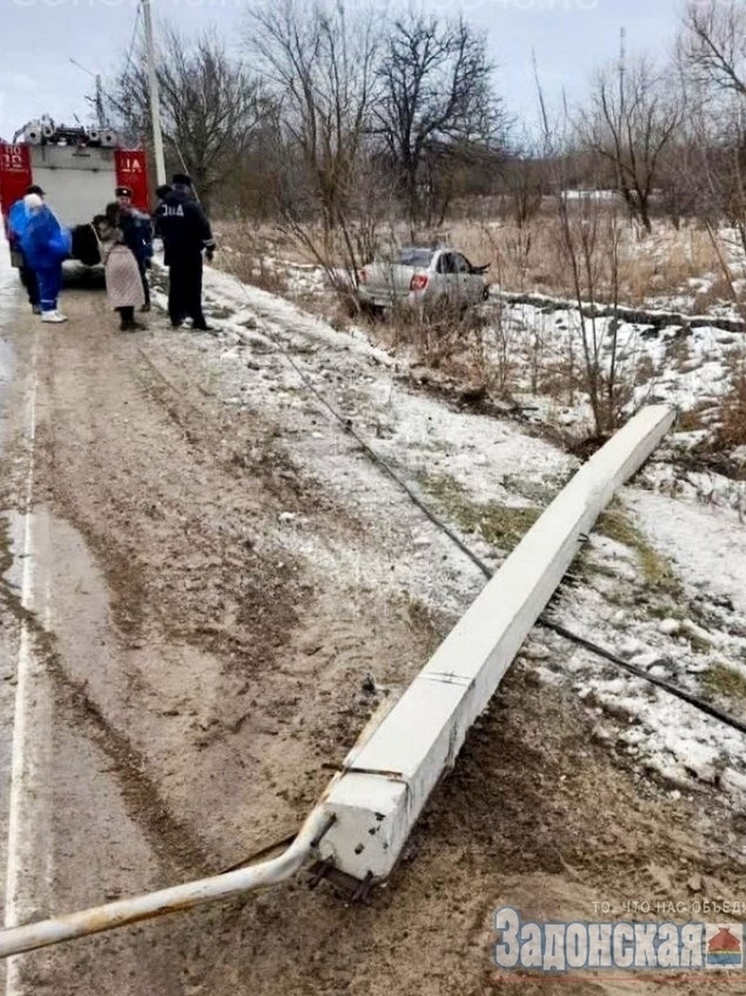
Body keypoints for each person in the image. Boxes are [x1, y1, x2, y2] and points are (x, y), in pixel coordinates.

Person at [154, 173, 215, 331]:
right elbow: (204, 228)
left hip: (173, 253)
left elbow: (156, 227)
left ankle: (175, 317)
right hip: (191, 253)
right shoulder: (191, 205)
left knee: (176, 284)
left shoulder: (163, 206)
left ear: (174, 186)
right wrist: (210, 247)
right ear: (187, 188)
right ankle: (197, 319)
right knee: (193, 286)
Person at [17, 192, 71, 323]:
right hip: (44, 259)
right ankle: (47, 311)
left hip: (50, 257)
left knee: (54, 283)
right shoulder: (35, 221)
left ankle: (53, 309)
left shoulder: (41, 217)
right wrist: (56, 245)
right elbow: (41, 241)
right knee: (48, 284)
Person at [93, 204, 147, 332]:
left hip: (112, 259)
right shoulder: (124, 226)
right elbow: (137, 238)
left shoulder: (102, 225)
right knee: (130, 290)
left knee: (120, 291)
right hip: (125, 256)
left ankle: (124, 321)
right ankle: (130, 320)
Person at [114, 185, 153, 311]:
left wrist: (145, 250)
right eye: (121, 198)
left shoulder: (137, 215)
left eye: (126, 198)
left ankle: (146, 302)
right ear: (117, 199)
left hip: (136, 250)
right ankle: (123, 304)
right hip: (120, 251)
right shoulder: (115, 215)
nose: (124, 201)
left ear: (129, 200)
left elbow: (145, 235)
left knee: (140, 276)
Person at [6, 184, 44, 314]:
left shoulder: (16, 206)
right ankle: (37, 303)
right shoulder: (26, 207)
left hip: (22, 245)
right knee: (33, 275)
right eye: (40, 195)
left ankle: (37, 302)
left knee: (31, 275)